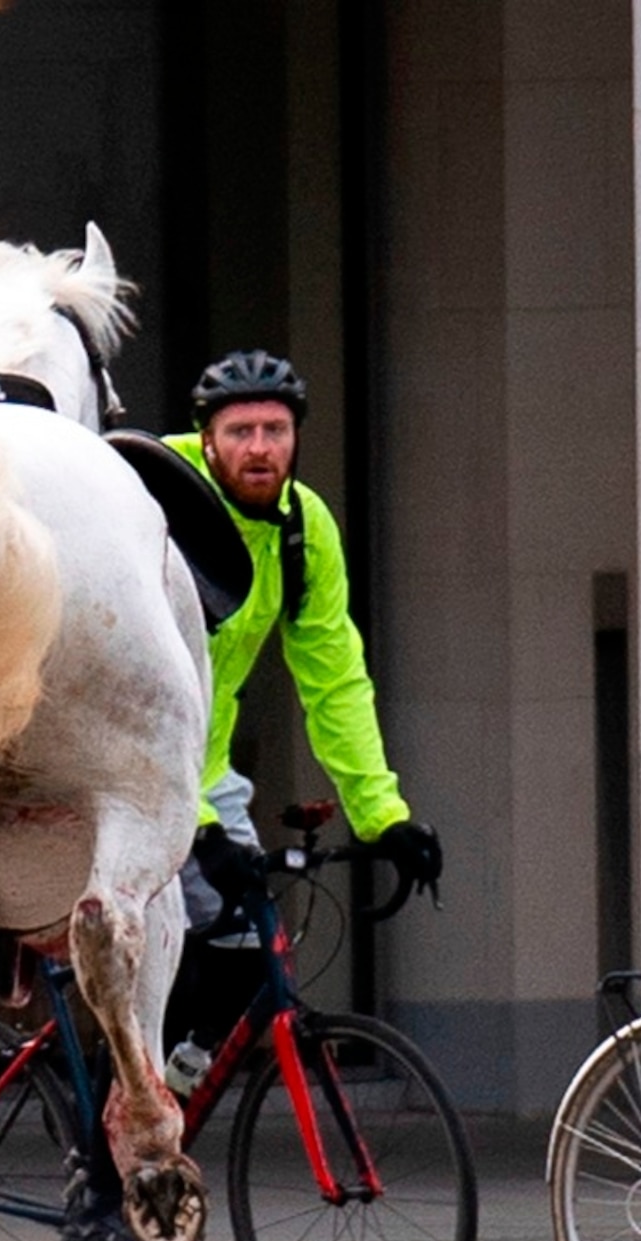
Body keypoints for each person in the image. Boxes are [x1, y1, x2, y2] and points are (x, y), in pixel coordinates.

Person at [163, 350, 443, 919]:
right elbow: (127, 686)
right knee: (151, 961)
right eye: (240, 431)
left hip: (204, 775)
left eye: (276, 430)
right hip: (125, 773)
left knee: (248, 949)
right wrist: (194, 829)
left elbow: (335, 680)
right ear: (207, 439)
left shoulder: (302, 527)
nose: (260, 448)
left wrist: (381, 816)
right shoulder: (155, 496)